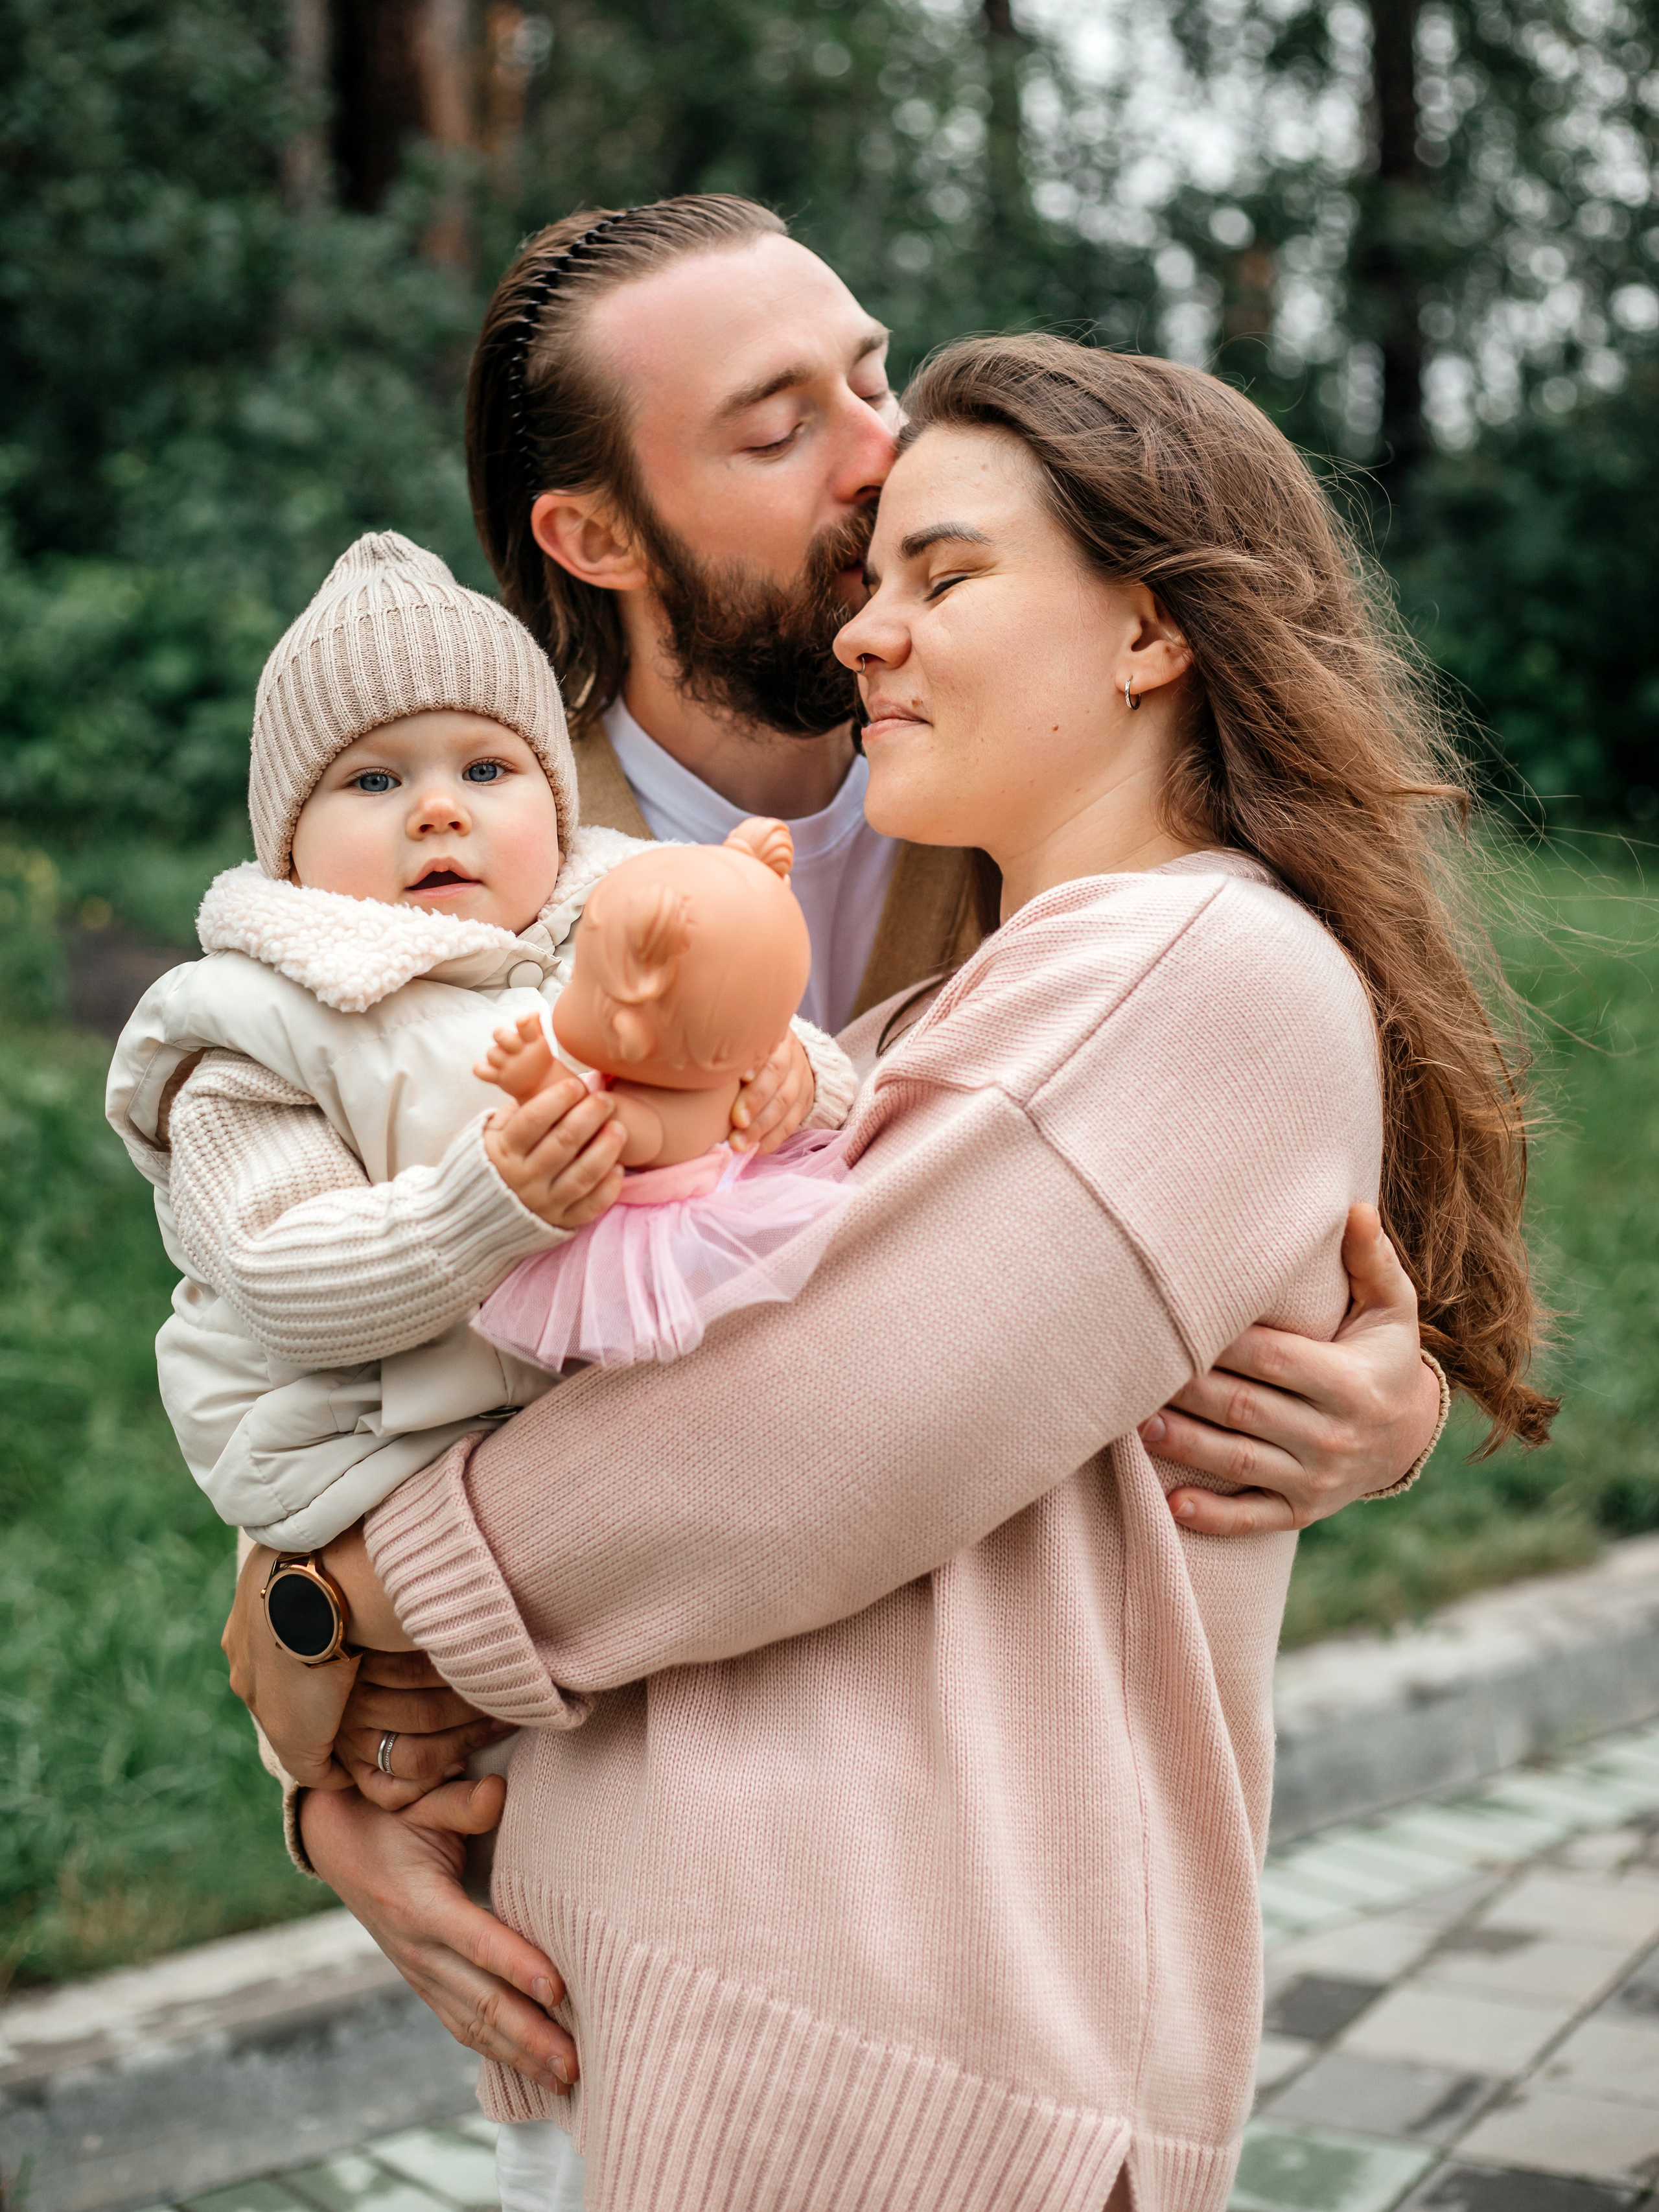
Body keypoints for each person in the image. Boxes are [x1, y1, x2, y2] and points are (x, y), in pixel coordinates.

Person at [228, 336, 1553, 2210]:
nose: (866, 628)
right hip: (807, 2051)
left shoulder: (1196, 968)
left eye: (942, 576)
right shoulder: (672, 891)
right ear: (592, 531)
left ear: (1151, 634)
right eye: (869, 578)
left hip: (901, 2075)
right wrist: (327, 1719)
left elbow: (778, 1439)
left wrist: (354, 1586)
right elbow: (466, 1345)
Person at [106, 529, 853, 1789]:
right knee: (461, 1776)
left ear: (555, 806)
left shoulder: (621, 914)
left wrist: (791, 1082)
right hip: (376, 1455)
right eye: (373, 782)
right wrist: (476, 1212)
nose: (439, 806)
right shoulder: (251, 1030)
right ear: (288, 845)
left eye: (486, 766)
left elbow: (770, 1028)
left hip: (595, 1430)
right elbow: (279, 1275)